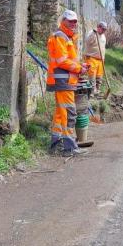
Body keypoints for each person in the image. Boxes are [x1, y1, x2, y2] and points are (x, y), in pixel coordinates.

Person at [46, 9, 90, 156]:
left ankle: (55, 144)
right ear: (63, 21)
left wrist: (81, 66)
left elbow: (68, 60)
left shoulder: (67, 37)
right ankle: (69, 148)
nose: (73, 24)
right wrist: (79, 69)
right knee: (69, 113)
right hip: (63, 81)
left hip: (65, 80)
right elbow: (62, 61)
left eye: (75, 21)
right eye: (70, 21)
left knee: (60, 114)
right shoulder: (60, 37)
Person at [84, 21, 108, 94]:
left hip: (100, 59)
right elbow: (87, 42)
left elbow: (103, 47)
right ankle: (91, 91)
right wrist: (94, 34)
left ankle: (97, 90)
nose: (104, 31)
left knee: (99, 76)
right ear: (98, 27)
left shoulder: (103, 36)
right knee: (92, 76)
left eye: (105, 29)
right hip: (91, 58)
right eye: (103, 29)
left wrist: (103, 58)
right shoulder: (92, 33)